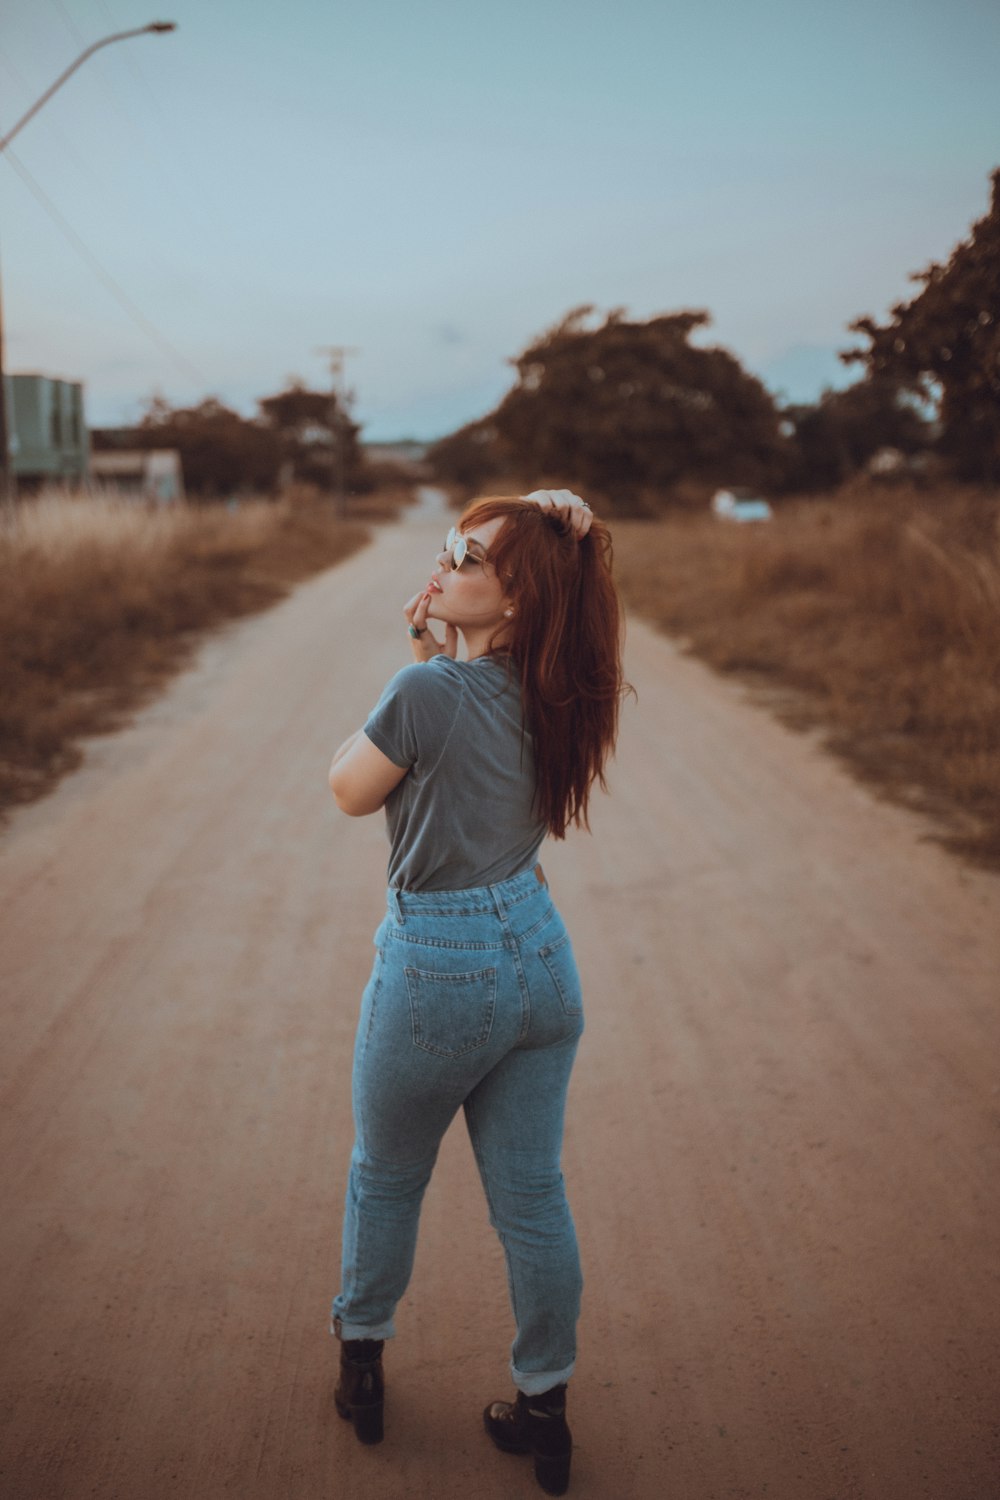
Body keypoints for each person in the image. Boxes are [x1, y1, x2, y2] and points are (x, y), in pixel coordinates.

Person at [327, 488, 625, 1495]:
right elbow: (459, 725)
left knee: (387, 1175)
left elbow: (347, 788)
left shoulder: (421, 698)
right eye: (449, 547)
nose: (442, 562)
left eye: (468, 557)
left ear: (517, 603)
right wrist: (548, 525)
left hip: (439, 963)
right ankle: (546, 1408)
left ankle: (360, 1361)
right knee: (532, 1196)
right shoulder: (563, 688)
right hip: (540, 956)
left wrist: (414, 661)